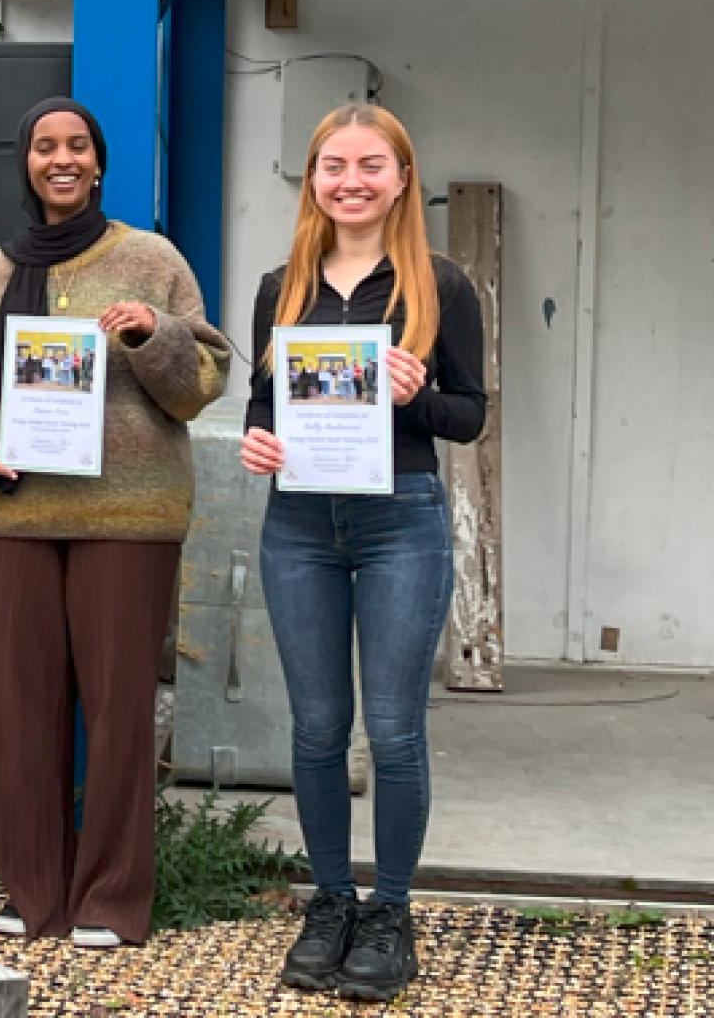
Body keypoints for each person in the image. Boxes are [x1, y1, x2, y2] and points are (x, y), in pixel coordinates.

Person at [0, 96, 229, 948]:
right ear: (26, 164)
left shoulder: (152, 259)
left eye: (76, 146)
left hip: (126, 516)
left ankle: (112, 896)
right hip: (14, 511)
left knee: (119, 708)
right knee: (17, 710)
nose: (60, 159)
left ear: (98, 162)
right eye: (43, 147)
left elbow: (202, 381)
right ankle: (32, 890)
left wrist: (151, 333)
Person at [239, 104, 486, 1003]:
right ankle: (332, 901)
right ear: (312, 180)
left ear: (402, 178)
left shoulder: (440, 285)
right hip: (299, 526)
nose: (351, 181)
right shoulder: (282, 288)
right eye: (334, 165)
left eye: (370, 165)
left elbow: (470, 415)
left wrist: (416, 397)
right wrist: (256, 440)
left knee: (392, 729)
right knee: (314, 727)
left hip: (399, 524)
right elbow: (263, 404)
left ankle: (390, 912)